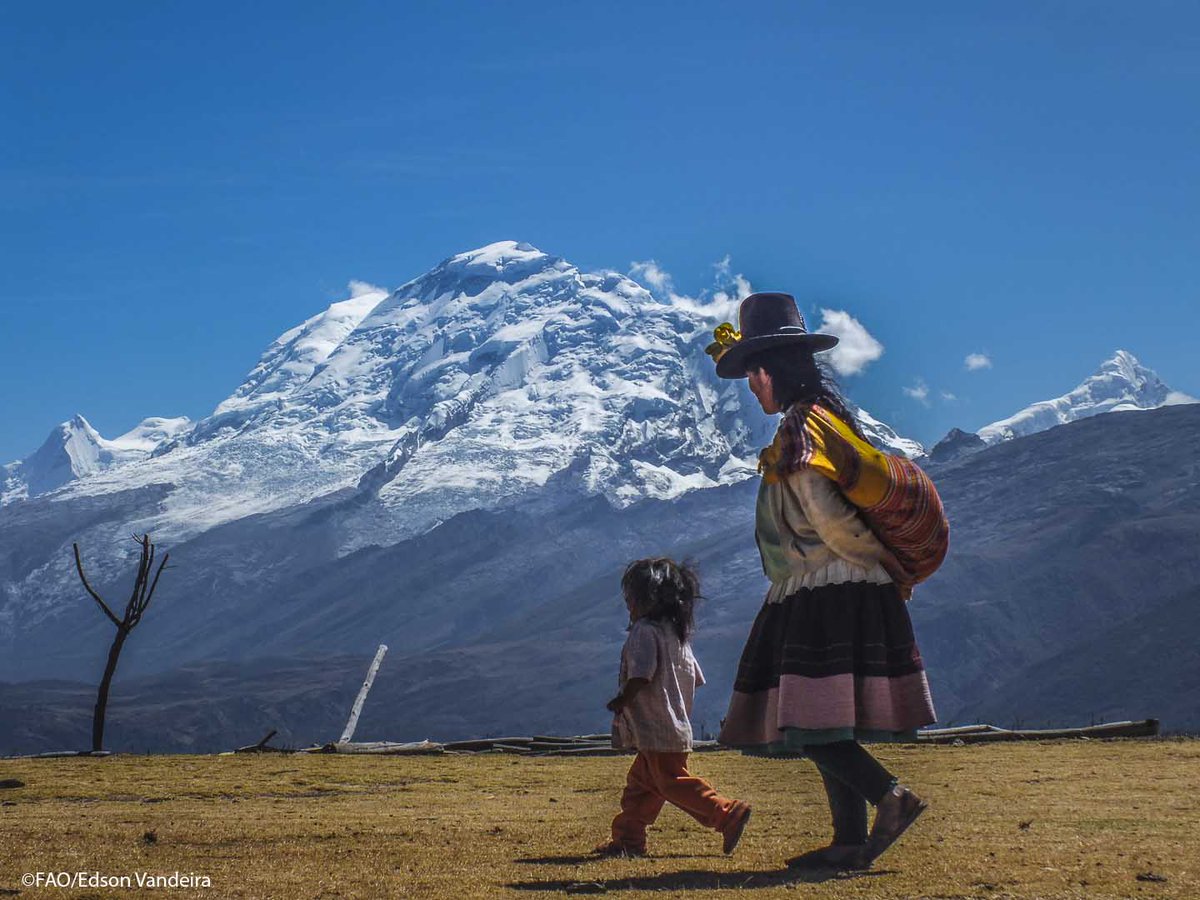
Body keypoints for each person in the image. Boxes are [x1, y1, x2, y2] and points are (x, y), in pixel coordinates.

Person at [709, 292, 937, 871]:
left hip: (828, 587)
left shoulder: (802, 430)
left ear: (765, 372)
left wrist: (874, 566)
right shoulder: (818, 420)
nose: (753, 389)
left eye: (752, 378)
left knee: (810, 723)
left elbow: (828, 516)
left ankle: (891, 798)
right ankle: (849, 841)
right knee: (825, 718)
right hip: (831, 584)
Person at [595, 557, 752, 858]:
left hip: (656, 727)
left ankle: (725, 813)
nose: (628, 606)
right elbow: (694, 679)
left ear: (646, 599)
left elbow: (641, 674)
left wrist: (622, 700)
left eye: (631, 599)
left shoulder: (645, 632)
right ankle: (628, 839)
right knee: (642, 784)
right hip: (674, 726)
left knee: (671, 782)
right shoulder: (677, 636)